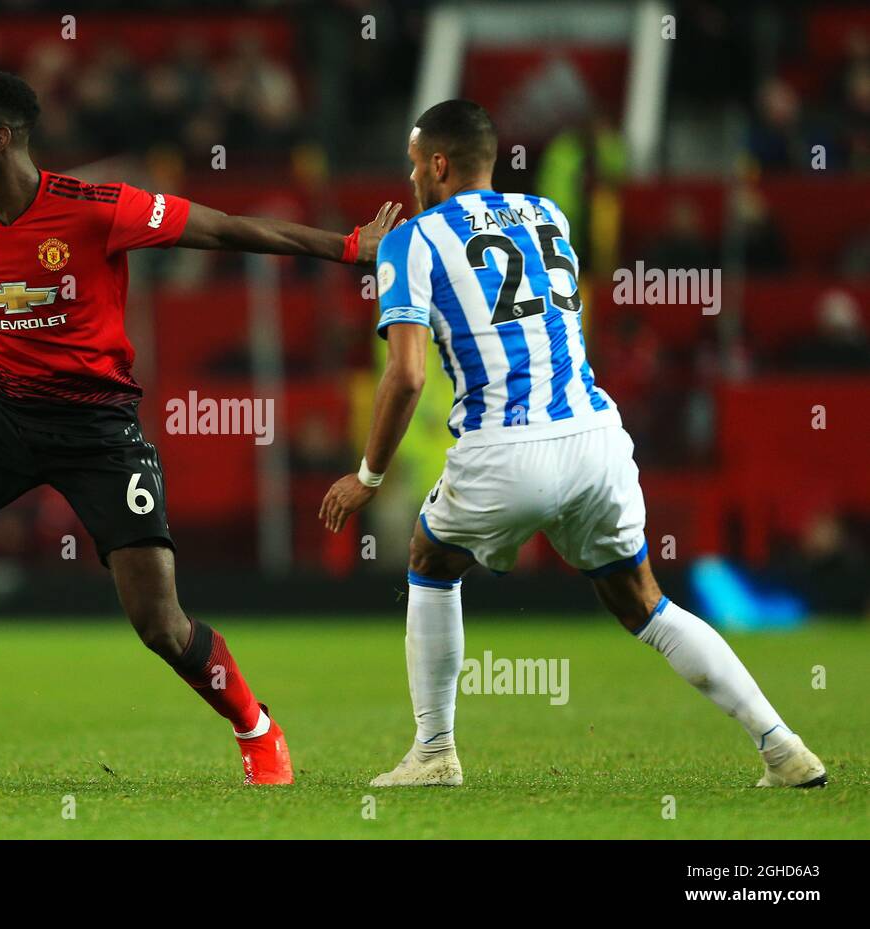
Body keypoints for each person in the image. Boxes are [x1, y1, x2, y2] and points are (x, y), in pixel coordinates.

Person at [0, 71, 402, 786]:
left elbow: (224, 228)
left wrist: (343, 247)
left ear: (1, 138)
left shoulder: (97, 208)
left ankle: (256, 726)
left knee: (160, 624)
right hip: (1, 419)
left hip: (98, 432)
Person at [319, 99, 825, 789]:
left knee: (431, 559)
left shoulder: (413, 239)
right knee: (646, 603)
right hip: (593, 436)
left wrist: (368, 475)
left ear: (438, 164)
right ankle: (782, 744)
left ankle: (435, 753)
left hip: (504, 446)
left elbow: (406, 374)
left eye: (414, 166)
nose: (410, 181)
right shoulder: (549, 216)